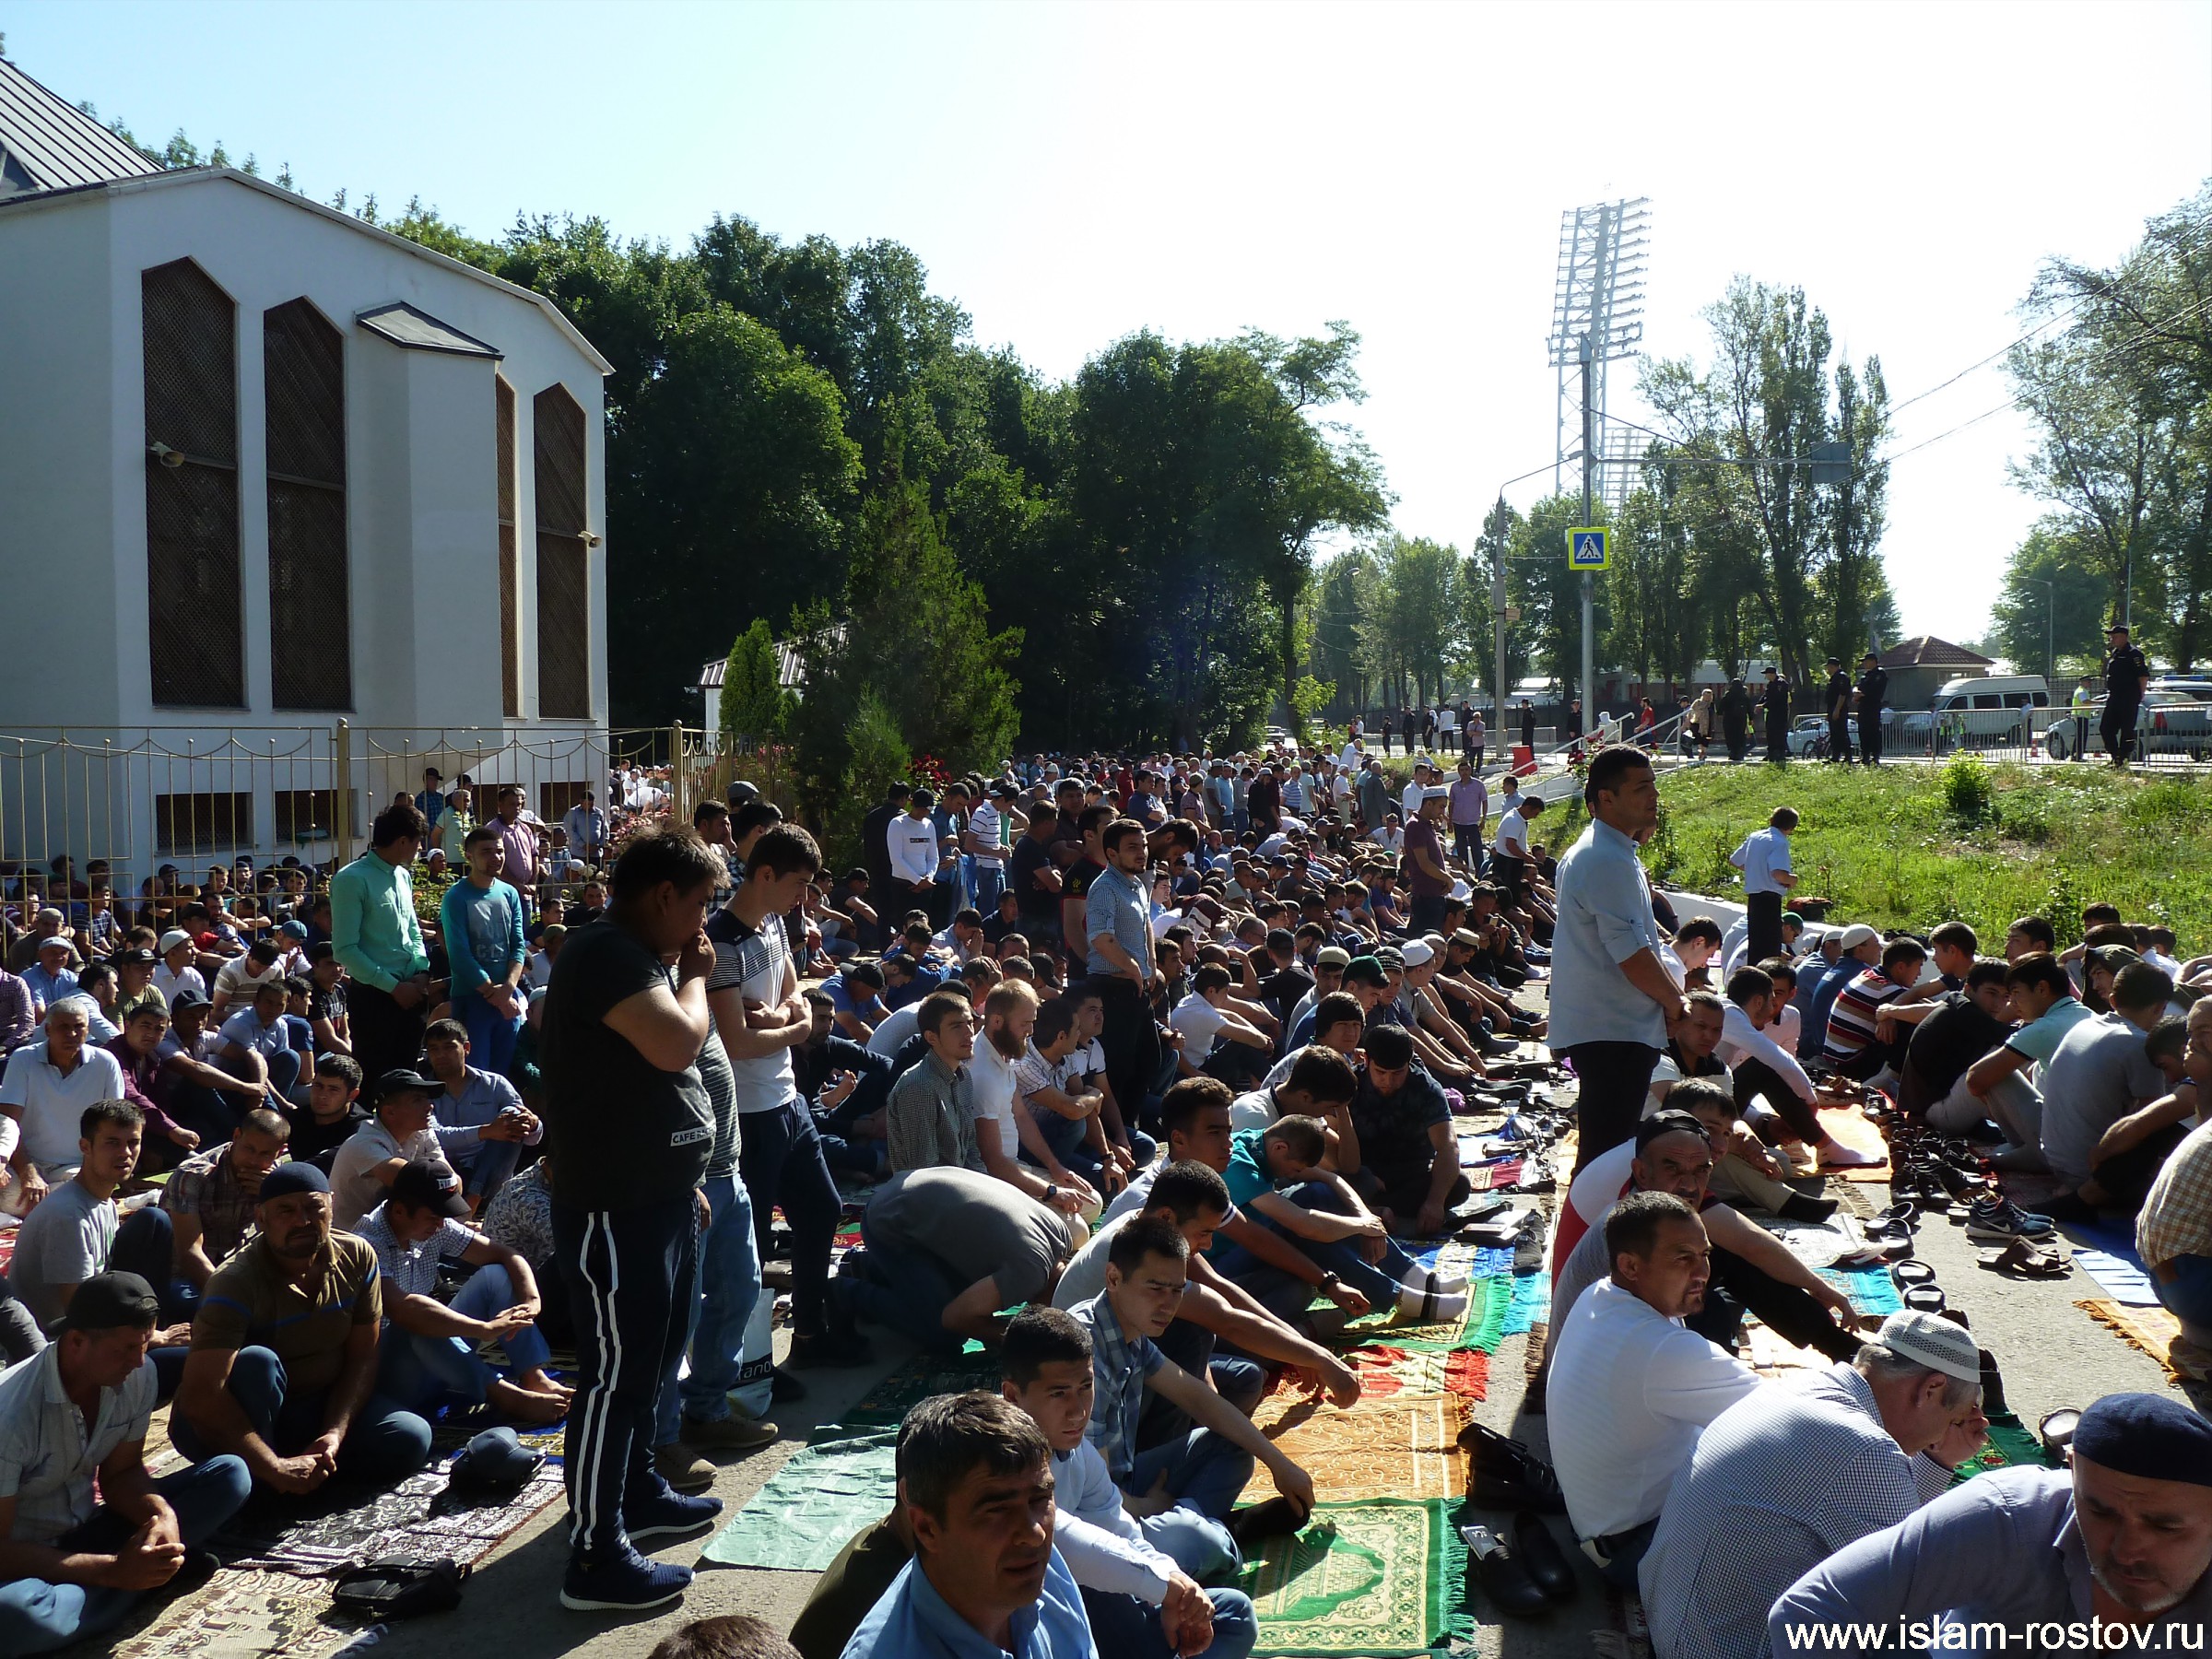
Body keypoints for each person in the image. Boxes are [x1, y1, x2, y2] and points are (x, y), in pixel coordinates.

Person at [538, 826, 728, 1613]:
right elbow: (677, 1044)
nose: (704, 922)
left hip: (661, 1198)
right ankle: (595, 1556)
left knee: (650, 1363)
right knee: (615, 1377)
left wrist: (684, 1180)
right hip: (615, 1209)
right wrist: (694, 979)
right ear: (663, 895)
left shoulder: (634, 954)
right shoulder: (607, 953)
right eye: (701, 903)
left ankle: (637, 1491)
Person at [1639, 1310, 1988, 1659]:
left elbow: (1889, 1529)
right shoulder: (1863, 1449)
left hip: (1673, 1623)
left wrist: (1939, 1460)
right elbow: (1919, 1608)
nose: (1939, 1438)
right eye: (1953, 1419)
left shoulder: (1800, 1389)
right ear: (1930, 1389)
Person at [1771, 1392, 2212, 1653]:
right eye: (2100, 1512)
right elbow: (1809, 1613)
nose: (2126, 1550)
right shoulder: (2008, 1516)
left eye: (2165, 1527)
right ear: (2072, 1472)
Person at [0, 1272, 253, 1657]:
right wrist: (113, 1570)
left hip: (90, 1530)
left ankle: (127, 1583)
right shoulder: (10, 1415)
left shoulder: (137, 1373)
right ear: (77, 1341)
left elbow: (121, 1474)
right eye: (125, 1350)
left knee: (231, 1475)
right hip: (25, 1558)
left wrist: (161, 1516)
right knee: (12, 1618)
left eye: (144, 1345)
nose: (138, 1361)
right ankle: (139, 1583)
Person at [999, 1308, 1258, 1659]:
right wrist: (1164, 1586)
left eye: (1086, 1387)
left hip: (1094, 1588)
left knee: (1233, 1613)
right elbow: (1066, 1542)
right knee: (1103, 1584)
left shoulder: (1078, 1451)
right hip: (1038, 1620)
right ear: (1013, 1396)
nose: (1078, 1411)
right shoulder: (999, 1459)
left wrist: (1172, 1581)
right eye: (1059, 1394)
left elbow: (1120, 1529)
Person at [1068, 1217, 1314, 1578]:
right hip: (1085, 1514)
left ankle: (1194, 1531)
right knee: (1196, 1543)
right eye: (1155, 1288)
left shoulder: (1129, 1331)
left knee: (1234, 1444)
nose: (1168, 1304)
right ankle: (1221, 1533)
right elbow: (1094, 1495)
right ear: (1114, 1278)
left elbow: (1198, 1398)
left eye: (1177, 1290)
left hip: (1123, 1481)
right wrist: (1148, 1507)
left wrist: (1280, 1464)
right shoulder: (1083, 1354)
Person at [708, 825, 869, 1370]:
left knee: (822, 1209)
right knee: (749, 1242)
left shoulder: (776, 921)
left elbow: (795, 992)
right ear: (765, 874)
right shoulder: (721, 939)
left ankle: (809, 1335)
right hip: (747, 1112)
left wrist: (777, 1019)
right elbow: (737, 1041)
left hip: (787, 1099)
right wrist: (793, 1028)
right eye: (799, 883)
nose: (805, 897)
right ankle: (748, 1366)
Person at [171, 1162, 434, 1491]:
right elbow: (202, 1397)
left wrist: (334, 1433)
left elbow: (363, 1356)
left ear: (331, 1206)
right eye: (285, 1211)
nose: (302, 1221)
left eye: (314, 1208)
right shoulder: (234, 1282)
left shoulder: (358, 1256)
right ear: (261, 1218)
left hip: (315, 1407)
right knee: (258, 1363)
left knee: (410, 1437)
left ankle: (309, 1473)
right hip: (240, 1416)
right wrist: (273, 1466)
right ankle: (264, 1478)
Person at [1545, 1192, 1762, 1588]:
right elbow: (1789, 1415)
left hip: (1604, 1531)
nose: (1702, 1272)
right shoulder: (1661, 1348)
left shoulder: (1599, 1294)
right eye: (1683, 1258)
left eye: (1704, 1254)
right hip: (1636, 1551)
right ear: (1629, 1265)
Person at [837, 1392, 1096, 1659]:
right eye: (997, 1510)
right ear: (926, 1528)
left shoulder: (1037, 1569)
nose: (1035, 1534)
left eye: (1040, 1499)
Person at [355, 1159, 571, 1425]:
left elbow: (506, 1255)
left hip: (432, 1358)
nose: (440, 1226)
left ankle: (533, 1376)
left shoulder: (432, 1223)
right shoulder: (368, 1242)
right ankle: (505, 1395)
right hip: (388, 1376)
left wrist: (531, 1300)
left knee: (495, 1276)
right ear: (399, 1211)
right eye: (434, 1218)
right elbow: (402, 1308)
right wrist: (483, 1329)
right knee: (418, 1319)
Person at [1550, 747, 1682, 1173]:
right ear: (1606, 798)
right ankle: (1589, 1220)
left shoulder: (1612, 852)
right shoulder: (1603, 858)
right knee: (1604, 1161)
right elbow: (1631, 953)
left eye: (1653, 785)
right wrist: (1676, 1003)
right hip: (1612, 1030)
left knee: (1608, 1154)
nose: (1654, 795)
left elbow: (1639, 943)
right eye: (1641, 788)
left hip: (1613, 1027)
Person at [329, 801, 436, 1082]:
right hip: (375, 998)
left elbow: (412, 930)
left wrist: (422, 970)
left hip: (413, 993)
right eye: (417, 843)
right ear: (402, 842)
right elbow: (345, 950)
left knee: (407, 1081)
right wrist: (393, 987)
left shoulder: (402, 876)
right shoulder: (351, 879)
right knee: (375, 1082)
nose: (420, 850)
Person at [2, 999, 130, 1206]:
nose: (71, 1034)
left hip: (78, 1167)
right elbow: (8, 1125)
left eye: (78, 1027)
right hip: (25, 1163)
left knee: (71, 1200)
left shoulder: (105, 1063)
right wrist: (28, 1173)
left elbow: (115, 1125)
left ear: (88, 1030)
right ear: (48, 1029)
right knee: (12, 1198)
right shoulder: (23, 1059)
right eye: (63, 1027)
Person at [159, 1108, 289, 1295]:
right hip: (187, 1275)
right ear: (236, 1136)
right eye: (249, 1149)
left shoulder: (274, 1177)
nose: (253, 1161)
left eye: (265, 1154)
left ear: (280, 1152)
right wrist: (229, 1296)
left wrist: (270, 1195)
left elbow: (280, 1241)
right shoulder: (193, 1176)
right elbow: (189, 1252)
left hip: (235, 1268)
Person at [1087, 819, 1161, 1130]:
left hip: (1136, 987)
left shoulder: (1137, 884)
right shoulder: (1104, 887)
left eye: (1143, 846)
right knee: (1117, 1068)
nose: (1141, 852)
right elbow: (1100, 938)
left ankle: (1128, 1127)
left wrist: (1151, 964)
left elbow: (1146, 924)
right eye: (1132, 847)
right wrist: (1133, 968)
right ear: (1112, 853)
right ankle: (1112, 1135)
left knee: (1149, 1060)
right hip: (1112, 989)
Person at [441, 822, 530, 1078]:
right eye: (486, 852)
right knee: (475, 1075)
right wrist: (494, 994)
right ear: (469, 856)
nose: (496, 857)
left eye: (499, 851)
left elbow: (518, 944)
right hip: (473, 999)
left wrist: (508, 988)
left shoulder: (509, 893)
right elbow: (459, 956)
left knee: (504, 1076)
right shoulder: (456, 897)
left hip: (508, 1000)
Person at [1728, 806, 1797, 964]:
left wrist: (1756, 870)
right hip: (1770, 900)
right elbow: (1778, 874)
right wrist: (1793, 880)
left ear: (1771, 820)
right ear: (1791, 828)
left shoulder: (1755, 837)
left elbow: (1735, 860)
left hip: (1753, 900)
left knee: (1756, 946)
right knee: (1769, 950)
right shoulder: (1779, 842)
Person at [2102, 620, 2151, 766]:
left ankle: (2122, 759)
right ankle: (2115, 755)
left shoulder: (2134, 654)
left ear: (2124, 637)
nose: (2112, 639)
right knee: (2105, 728)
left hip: (2128, 697)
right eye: (2111, 636)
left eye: (2115, 636)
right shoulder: (2115, 653)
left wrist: (2140, 695)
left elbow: (2143, 676)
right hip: (2115, 697)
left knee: (2127, 729)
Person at [1854, 649, 1888, 767]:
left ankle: (1875, 756)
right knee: (1863, 731)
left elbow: (1875, 689)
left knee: (1873, 731)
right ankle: (1865, 756)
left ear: (1873, 661)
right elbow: (1858, 686)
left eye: (1866, 661)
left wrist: (1863, 693)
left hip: (1873, 706)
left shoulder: (1879, 673)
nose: (1864, 664)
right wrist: (1856, 692)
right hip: (1863, 706)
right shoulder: (1866, 675)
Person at [1823, 656, 1853, 762]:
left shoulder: (1841, 677)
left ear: (1833, 666)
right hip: (1832, 708)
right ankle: (1836, 756)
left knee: (1841, 732)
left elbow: (1842, 694)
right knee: (1834, 733)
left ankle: (1848, 756)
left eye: (1829, 667)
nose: (1828, 669)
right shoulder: (1833, 678)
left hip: (1839, 708)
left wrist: (1837, 709)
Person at [1762, 665, 1792, 763]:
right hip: (1772, 712)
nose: (1766, 676)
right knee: (1770, 733)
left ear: (1772, 674)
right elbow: (1766, 696)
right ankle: (1771, 753)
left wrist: (1763, 705)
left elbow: (1777, 699)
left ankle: (1780, 753)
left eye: (1767, 674)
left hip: (1780, 713)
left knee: (1779, 734)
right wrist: (1760, 704)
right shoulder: (1771, 684)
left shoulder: (1781, 684)